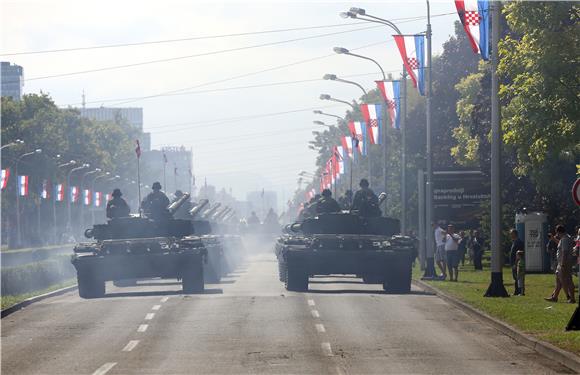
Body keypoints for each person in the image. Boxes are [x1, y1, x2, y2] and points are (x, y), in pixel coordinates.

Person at [545, 225, 576, 303]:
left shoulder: (565, 239)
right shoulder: (564, 239)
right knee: (558, 281)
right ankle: (555, 297)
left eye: (557, 233)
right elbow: (561, 245)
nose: (556, 234)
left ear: (559, 232)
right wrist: (553, 239)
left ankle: (570, 298)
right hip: (561, 262)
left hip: (564, 263)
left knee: (567, 280)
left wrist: (562, 264)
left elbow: (565, 252)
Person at [509, 229, 525, 296]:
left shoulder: (518, 242)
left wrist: (515, 263)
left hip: (517, 263)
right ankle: (516, 291)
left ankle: (520, 291)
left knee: (518, 277)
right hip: (514, 262)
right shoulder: (514, 242)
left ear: (514, 234)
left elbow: (519, 254)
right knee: (515, 277)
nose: (510, 235)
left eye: (511, 234)